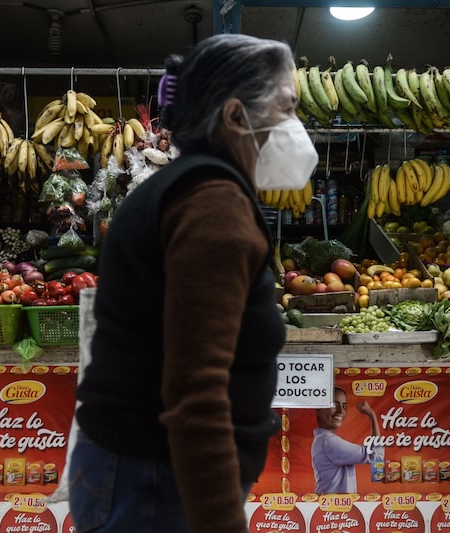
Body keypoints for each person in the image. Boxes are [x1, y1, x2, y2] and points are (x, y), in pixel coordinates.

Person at [69, 33, 318, 533]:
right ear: (233, 116)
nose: (295, 127)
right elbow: (195, 391)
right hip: (155, 483)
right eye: (285, 109)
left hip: (142, 472)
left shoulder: (189, 187)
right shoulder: (212, 205)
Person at [311, 386, 383, 493]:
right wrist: (372, 416)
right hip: (336, 506)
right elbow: (376, 457)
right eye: (334, 404)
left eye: (344, 406)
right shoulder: (328, 442)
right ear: (318, 408)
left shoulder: (322, 440)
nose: (341, 411)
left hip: (335, 505)